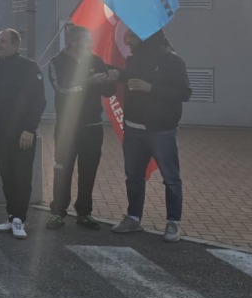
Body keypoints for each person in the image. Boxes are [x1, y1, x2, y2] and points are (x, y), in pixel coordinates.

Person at [111, 29, 192, 243]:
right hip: (133, 129)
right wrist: (117, 75)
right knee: (134, 177)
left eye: (132, 36)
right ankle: (133, 218)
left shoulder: (173, 60)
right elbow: (129, 79)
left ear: (146, 38)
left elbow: (185, 93)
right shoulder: (135, 59)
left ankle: (173, 223)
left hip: (161, 130)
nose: (127, 40)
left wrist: (151, 88)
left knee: (171, 179)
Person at [46, 25, 119, 230]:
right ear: (73, 42)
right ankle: (58, 212)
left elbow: (107, 93)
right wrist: (88, 82)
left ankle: (84, 212)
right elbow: (62, 89)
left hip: (92, 126)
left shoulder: (96, 61)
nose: (90, 44)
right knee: (63, 169)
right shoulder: (57, 62)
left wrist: (110, 80)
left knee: (88, 170)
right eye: (87, 41)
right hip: (67, 128)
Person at [0, 29, 47, 239]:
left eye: (2, 41)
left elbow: (39, 101)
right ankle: (12, 217)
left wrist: (30, 129)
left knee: (22, 177)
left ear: (15, 44)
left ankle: (20, 219)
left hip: (23, 134)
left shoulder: (29, 67)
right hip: (0, 135)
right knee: (8, 177)